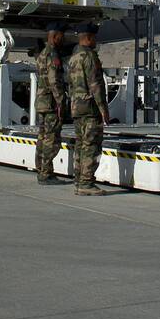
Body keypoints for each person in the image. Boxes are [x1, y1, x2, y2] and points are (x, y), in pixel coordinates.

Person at [67, 23, 109, 195]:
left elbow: (70, 84)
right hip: (90, 108)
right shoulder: (89, 57)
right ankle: (86, 183)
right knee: (91, 145)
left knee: (80, 144)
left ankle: (79, 180)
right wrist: (103, 108)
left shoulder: (73, 57)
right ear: (89, 37)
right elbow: (95, 84)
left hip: (77, 107)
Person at [35, 24, 70, 184]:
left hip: (42, 102)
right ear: (55, 36)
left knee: (42, 137)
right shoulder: (52, 54)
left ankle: (41, 169)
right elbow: (54, 80)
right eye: (61, 36)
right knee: (51, 139)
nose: (63, 39)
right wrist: (61, 102)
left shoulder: (42, 53)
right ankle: (46, 173)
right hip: (51, 104)